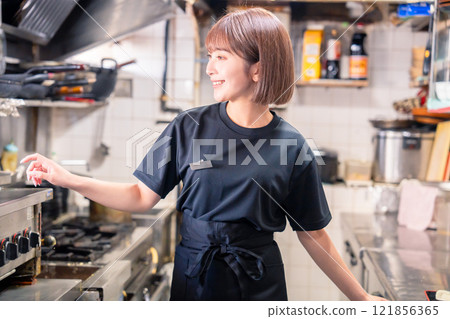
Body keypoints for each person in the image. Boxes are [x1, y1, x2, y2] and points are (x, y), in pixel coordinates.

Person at [22, 8, 385, 301]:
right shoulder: (188, 126)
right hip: (194, 277)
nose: (210, 68)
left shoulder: (293, 146)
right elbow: (140, 196)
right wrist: (68, 179)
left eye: (221, 57)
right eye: (209, 56)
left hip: (258, 285)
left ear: (258, 67)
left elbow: (314, 235)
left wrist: (362, 299)